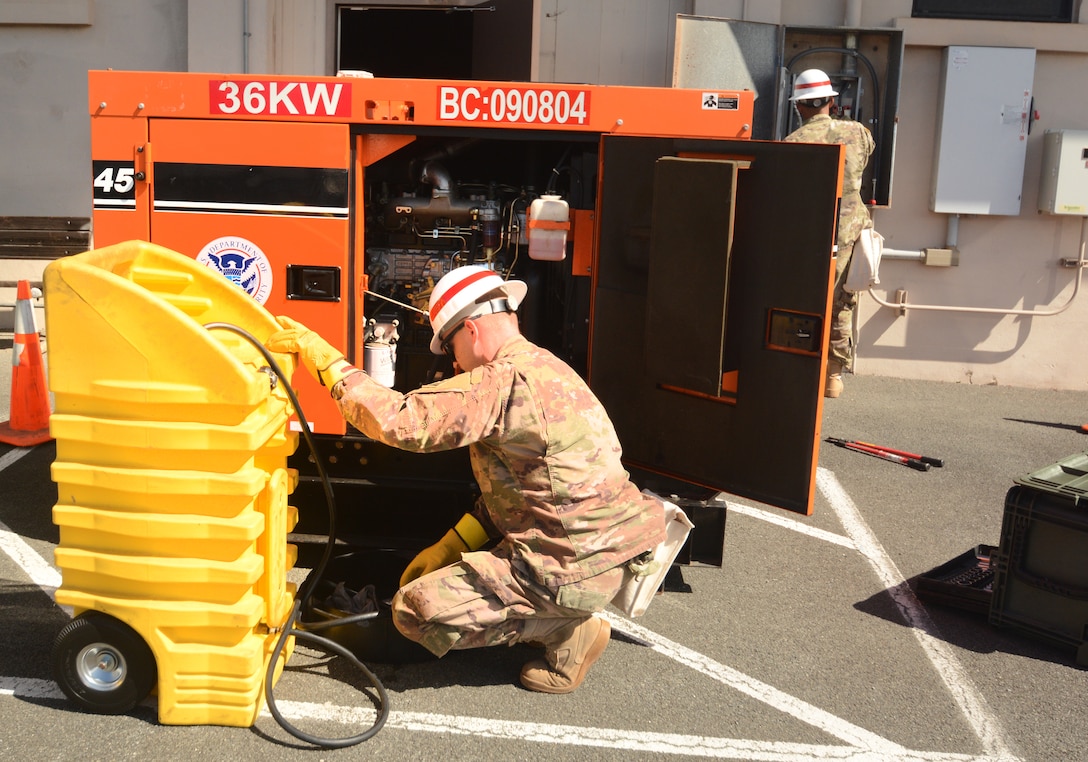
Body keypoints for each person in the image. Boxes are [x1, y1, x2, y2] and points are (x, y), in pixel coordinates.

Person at [266, 265, 667, 694]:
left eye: (452, 347)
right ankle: (561, 610)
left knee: (413, 611)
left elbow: (401, 422)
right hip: (607, 552)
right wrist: (450, 546)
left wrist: (327, 363)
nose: (455, 362)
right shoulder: (549, 368)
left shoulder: (501, 382)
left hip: (567, 569)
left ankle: (566, 631)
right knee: (453, 582)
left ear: (472, 330)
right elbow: (519, 492)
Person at [784, 68, 875, 399]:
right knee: (842, 302)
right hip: (850, 230)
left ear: (799, 106)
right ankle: (833, 376)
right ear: (833, 102)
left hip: (807, 232)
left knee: (801, 299)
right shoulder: (858, 133)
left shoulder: (791, 143)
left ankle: (797, 366)